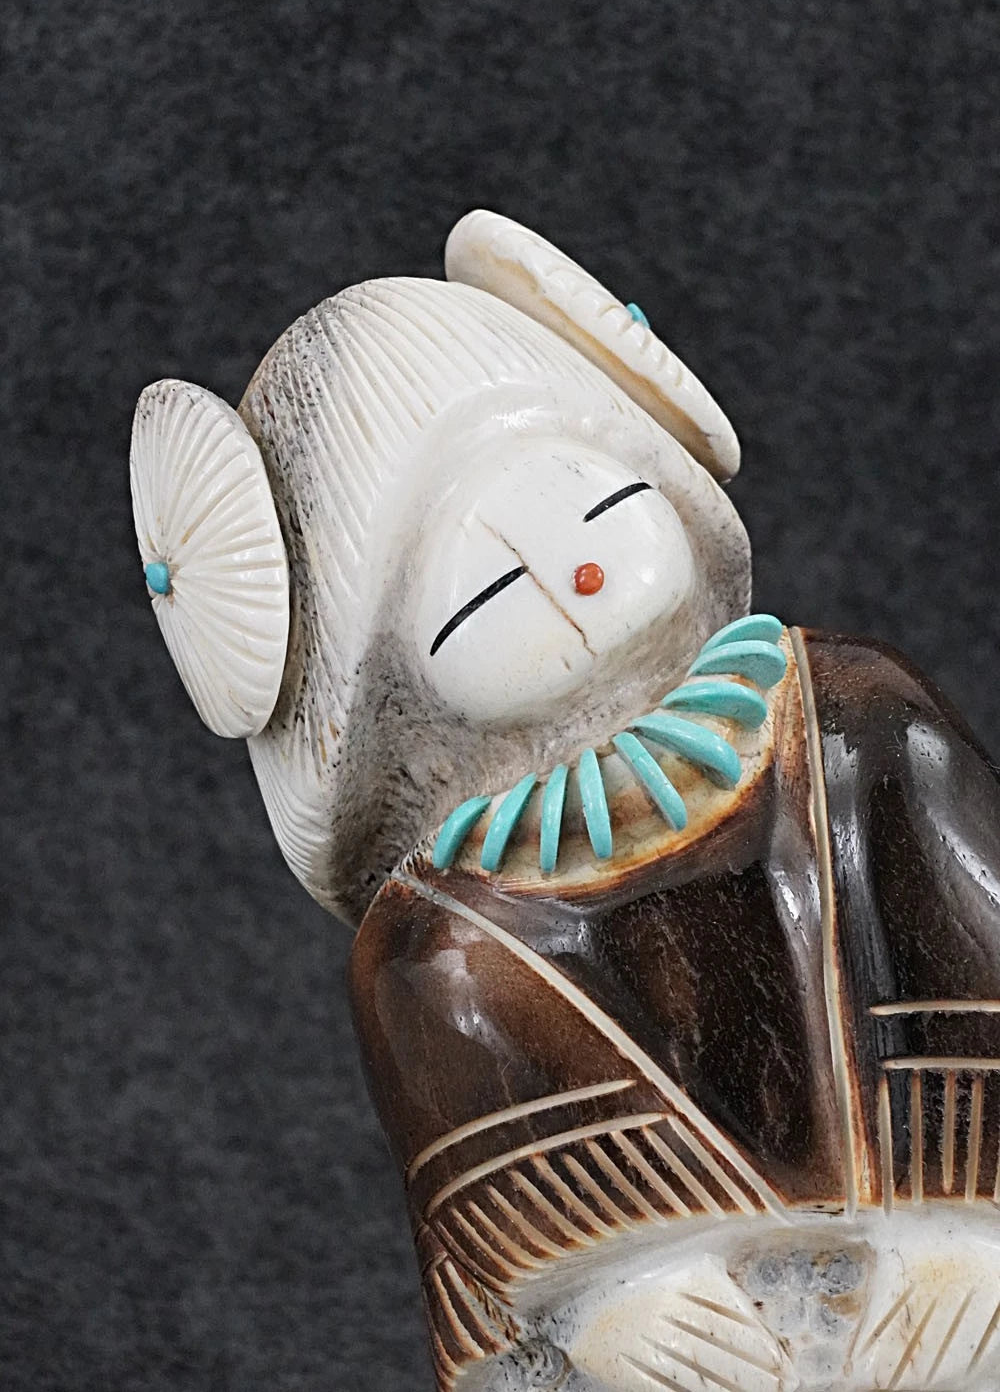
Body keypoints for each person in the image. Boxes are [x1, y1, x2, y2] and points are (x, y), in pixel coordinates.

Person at [131, 212, 1000, 1391]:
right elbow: (480, 1238)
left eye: (591, 503)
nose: (569, 573)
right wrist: (620, 1306)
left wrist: (958, 1239)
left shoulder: (860, 723)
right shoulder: (436, 944)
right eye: (484, 588)